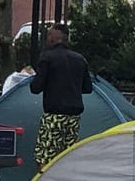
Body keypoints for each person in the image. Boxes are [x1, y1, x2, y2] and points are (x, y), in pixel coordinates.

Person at [30, 25, 92, 169]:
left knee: (44, 156)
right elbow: (88, 88)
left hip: (53, 116)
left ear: (51, 38)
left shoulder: (47, 58)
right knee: (67, 157)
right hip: (74, 117)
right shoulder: (80, 59)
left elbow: (36, 88)